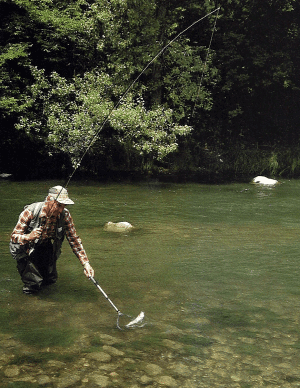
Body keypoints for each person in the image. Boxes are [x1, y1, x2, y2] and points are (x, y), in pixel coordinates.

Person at [9, 185, 94, 294]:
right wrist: (28, 237)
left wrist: (86, 264)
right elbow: (14, 237)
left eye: (63, 205)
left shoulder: (65, 215)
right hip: (24, 248)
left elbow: (74, 240)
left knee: (50, 280)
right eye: (58, 205)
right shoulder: (31, 211)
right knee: (33, 284)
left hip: (45, 245)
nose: (61, 209)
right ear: (49, 200)